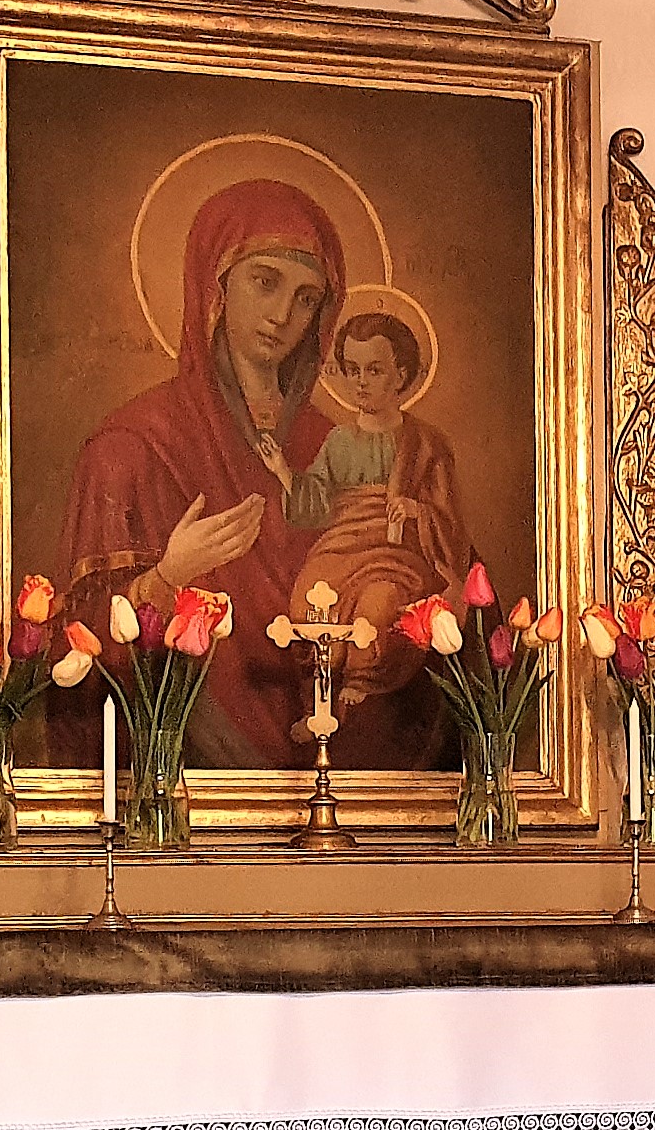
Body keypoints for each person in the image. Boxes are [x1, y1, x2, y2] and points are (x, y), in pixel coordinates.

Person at [53, 178, 342, 768]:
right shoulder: (132, 446)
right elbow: (75, 654)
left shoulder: (333, 446)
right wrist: (168, 576)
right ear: (215, 285)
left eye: (307, 298)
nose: (282, 315)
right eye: (265, 282)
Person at [287, 314, 474, 735]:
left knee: (376, 608)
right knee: (309, 604)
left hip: (398, 556)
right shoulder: (338, 440)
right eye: (351, 370)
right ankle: (321, 700)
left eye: (374, 370)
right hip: (340, 548)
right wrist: (284, 475)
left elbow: (448, 518)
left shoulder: (426, 444)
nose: (360, 382)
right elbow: (314, 500)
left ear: (401, 376)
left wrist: (416, 511)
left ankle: (359, 687)